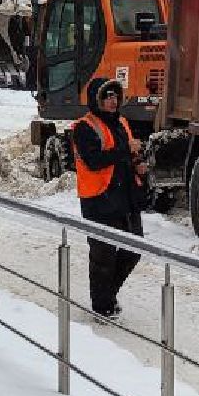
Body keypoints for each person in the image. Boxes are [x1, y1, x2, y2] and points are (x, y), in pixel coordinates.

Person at [72, 77, 146, 318]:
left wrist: (138, 164)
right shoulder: (84, 127)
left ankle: (107, 295)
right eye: (107, 97)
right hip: (99, 199)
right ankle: (102, 306)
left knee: (134, 249)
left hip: (125, 197)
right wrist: (127, 150)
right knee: (102, 256)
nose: (113, 101)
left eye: (115, 96)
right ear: (97, 100)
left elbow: (127, 155)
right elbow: (94, 161)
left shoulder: (122, 122)